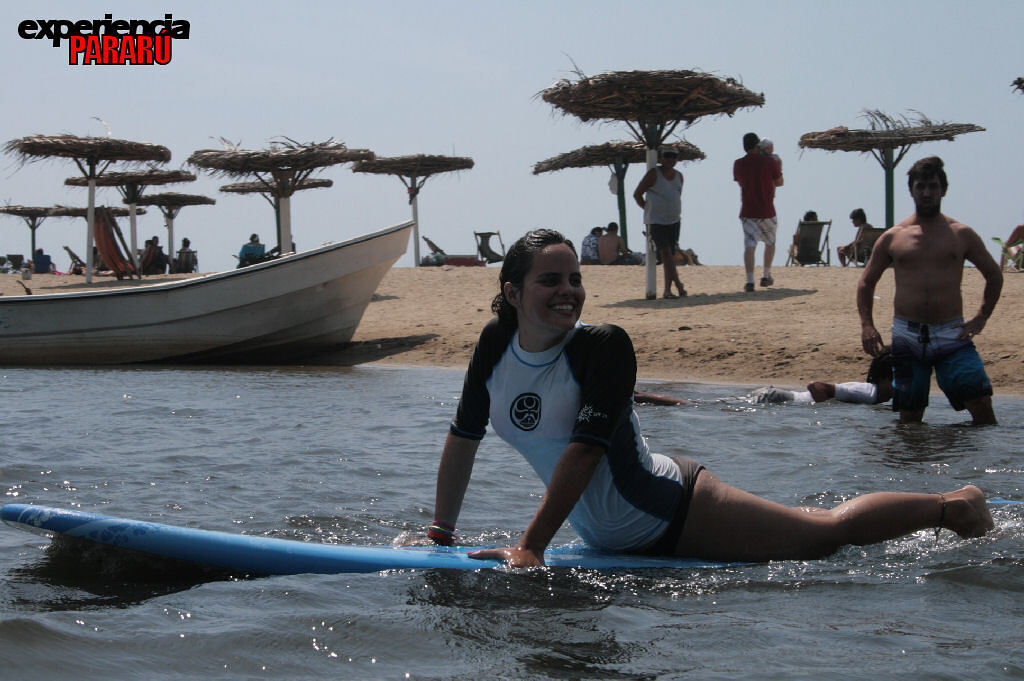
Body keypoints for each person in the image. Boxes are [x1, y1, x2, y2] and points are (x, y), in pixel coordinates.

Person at [421, 228, 993, 568]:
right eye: (551, 280)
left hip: (672, 508)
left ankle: (954, 505)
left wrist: (529, 547)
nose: (569, 291)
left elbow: (585, 454)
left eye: (574, 277)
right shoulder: (496, 345)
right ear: (512, 291)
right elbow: (462, 437)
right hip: (608, 535)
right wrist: (441, 534)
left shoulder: (603, 347)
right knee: (816, 530)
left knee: (821, 535)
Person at [858, 156, 1003, 425]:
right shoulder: (893, 236)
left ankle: (973, 466)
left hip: (952, 334)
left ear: (943, 190)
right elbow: (866, 282)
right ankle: (912, 467)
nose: (927, 192)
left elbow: (994, 275)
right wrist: (867, 325)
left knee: (981, 405)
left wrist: (981, 317)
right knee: (910, 417)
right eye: (921, 186)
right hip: (906, 337)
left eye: (933, 186)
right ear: (911, 190)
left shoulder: (961, 234)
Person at [749, 349, 895, 405]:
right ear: (883, 379)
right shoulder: (867, 393)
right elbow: (815, 386)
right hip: (774, 398)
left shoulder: (872, 394)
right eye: (897, 379)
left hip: (774, 397)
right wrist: (826, 409)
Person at [633, 146, 687, 298]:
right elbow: (637, 194)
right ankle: (677, 285)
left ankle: (670, 288)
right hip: (657, 221)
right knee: (665, 253)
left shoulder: (679, 176)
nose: (670, 159)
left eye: (674, 156)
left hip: (674, 220)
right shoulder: (654, 174)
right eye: (667, 156)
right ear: (661, 158)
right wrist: (647, 208)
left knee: (670, 253)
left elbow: (677, 195)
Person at [734, 132, 783, 292]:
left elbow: (740, 182)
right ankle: (766, 275)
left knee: (749, 245)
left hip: (748, 209)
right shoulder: (769, 162)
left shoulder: (738, 164)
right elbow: (780, 182)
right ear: (757, 146)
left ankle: (749, 280)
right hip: (766, 209)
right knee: (770, 242)